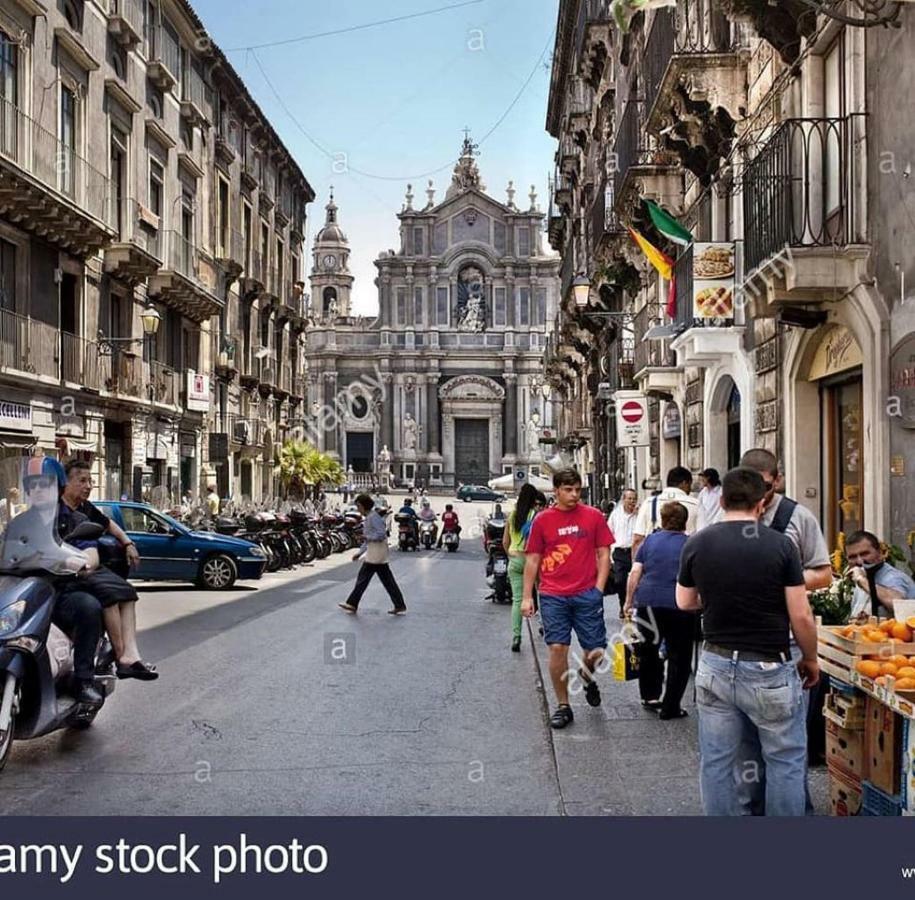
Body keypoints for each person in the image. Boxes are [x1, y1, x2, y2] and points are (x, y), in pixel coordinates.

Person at [676, 467, 819, 816]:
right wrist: (811, 658)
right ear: (762, 503)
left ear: (722, 500)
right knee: (785, 759)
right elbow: (800, 614)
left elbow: (684, 602)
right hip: (769, 664)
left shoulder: (697, 542)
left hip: (715, 663)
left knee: (717, 761)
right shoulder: (780, 546)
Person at [2, 458, 105, 707]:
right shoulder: (18, 523)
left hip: (59, 590)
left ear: (58, 487)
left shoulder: (76, 520)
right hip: (21, 590)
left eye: (44, 484)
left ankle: (83, 680)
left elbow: (91, 554)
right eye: (33, 485)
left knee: (88, 607)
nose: (37, 490)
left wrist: (83, 562)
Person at [521, 468, 613, 729]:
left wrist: (598, 588)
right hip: (553, 595)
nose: (574, 495)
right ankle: (563, 706)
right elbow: (533, 559)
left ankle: (585, 675)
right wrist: (527, 597)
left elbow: (604, 554)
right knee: (557, 648)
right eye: (568, 490)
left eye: (578, 490)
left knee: (595, 652)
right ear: (556, 491)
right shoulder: (542, 520)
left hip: (587, 594)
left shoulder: (593, 517)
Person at [60, 461, 157, 681]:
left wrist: (128, 543)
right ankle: (122, 656)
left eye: (91, 481)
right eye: (82, 480)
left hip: (87, 564)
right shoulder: (56, 510)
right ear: (65, 482)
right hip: (67, 570)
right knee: (108, 597)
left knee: (128, 593)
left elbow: (108, 524)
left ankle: (129, 656)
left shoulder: (84, 509)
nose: (88, 486)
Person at [625, 501, 695, 719]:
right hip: (680, 605)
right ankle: (670, 706)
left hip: (648, 602)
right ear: (685, 522)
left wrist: (628, 601)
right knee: (679, 656)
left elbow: (635, 573)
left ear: (663, 521)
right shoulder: (690, 544)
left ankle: (650, 696)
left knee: (648, 650)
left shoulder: (650, 541)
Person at [739, 449, 833, 591]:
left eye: (765, 486)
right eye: (751, 485)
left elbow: (824, 575)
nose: (757, 493)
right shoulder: (725, 514)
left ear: (777, 480)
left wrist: (776, 581)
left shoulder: (800, 517)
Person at [339, 494, 406, 615]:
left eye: (359, 506)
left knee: (363, 579)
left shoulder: (373, 517)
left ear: (364, 506)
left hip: (376, 554)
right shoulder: (370, 517)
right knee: (387, 581)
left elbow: (381, 534)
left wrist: (366, 537)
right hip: (375, 553)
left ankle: (352, 603)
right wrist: (359, 553)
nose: (358, 509)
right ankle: (399, 604)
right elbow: (368, 540)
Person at [844, 530, 915, 621]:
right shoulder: (863, 578)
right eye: (852, 557)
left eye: (865, 554)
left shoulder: (894, 577)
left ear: (880, 553)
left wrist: (861, 580)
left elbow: (898, 604)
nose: (859, 561)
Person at [631, 466, 699, 557]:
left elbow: (638, 539)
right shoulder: (696, 504)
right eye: (690, 485)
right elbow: (703, 538)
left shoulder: (649, 503)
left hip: (653, 561)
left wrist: (636, 565)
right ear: (684, 483)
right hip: (684, 559)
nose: (690, 489)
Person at [504, 484, 539, 653]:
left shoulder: (512, 516)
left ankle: (516, 636)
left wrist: (510, 555)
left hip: (515, 559)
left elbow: (505, 542)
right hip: (532, 560)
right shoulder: (535, 516)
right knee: (541, 593)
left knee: (517, 600)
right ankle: (544, 626)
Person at [608, 488, 638, 617]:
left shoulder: (639, 514)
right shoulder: (616, 514)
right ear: (623, 499)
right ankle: (623, 604)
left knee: (635, 580)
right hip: (620, 552)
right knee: (620, 581)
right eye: (629, 498)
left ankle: (632, 606)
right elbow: (609, 532)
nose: (632, 501)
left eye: (634, 499)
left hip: (634, 551)